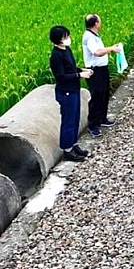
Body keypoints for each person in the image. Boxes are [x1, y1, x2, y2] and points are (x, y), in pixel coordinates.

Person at [49, 26, 92, 162]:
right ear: (59, 40)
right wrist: (80, 74)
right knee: (68, 121)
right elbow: (61, 76)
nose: (68, 39)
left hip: (74, 89)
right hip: (65, 92)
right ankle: (67, 150)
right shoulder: (56, 56)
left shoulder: (66, 50)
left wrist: (82, 70)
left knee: (75, 119)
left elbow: (71, 68)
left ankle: (73, 145)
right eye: (65, 37)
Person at [82, 14, 122, 139]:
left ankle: (102, 118)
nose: (101, 23)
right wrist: (111, 49)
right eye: (99, 21)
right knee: (97, 96)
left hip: (102, 70)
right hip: (95, 71)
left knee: (104, 94)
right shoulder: (89, 37)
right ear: (96, 24)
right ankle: (93, 125)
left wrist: (110, 49)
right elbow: (97, 52)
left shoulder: (95, 36)